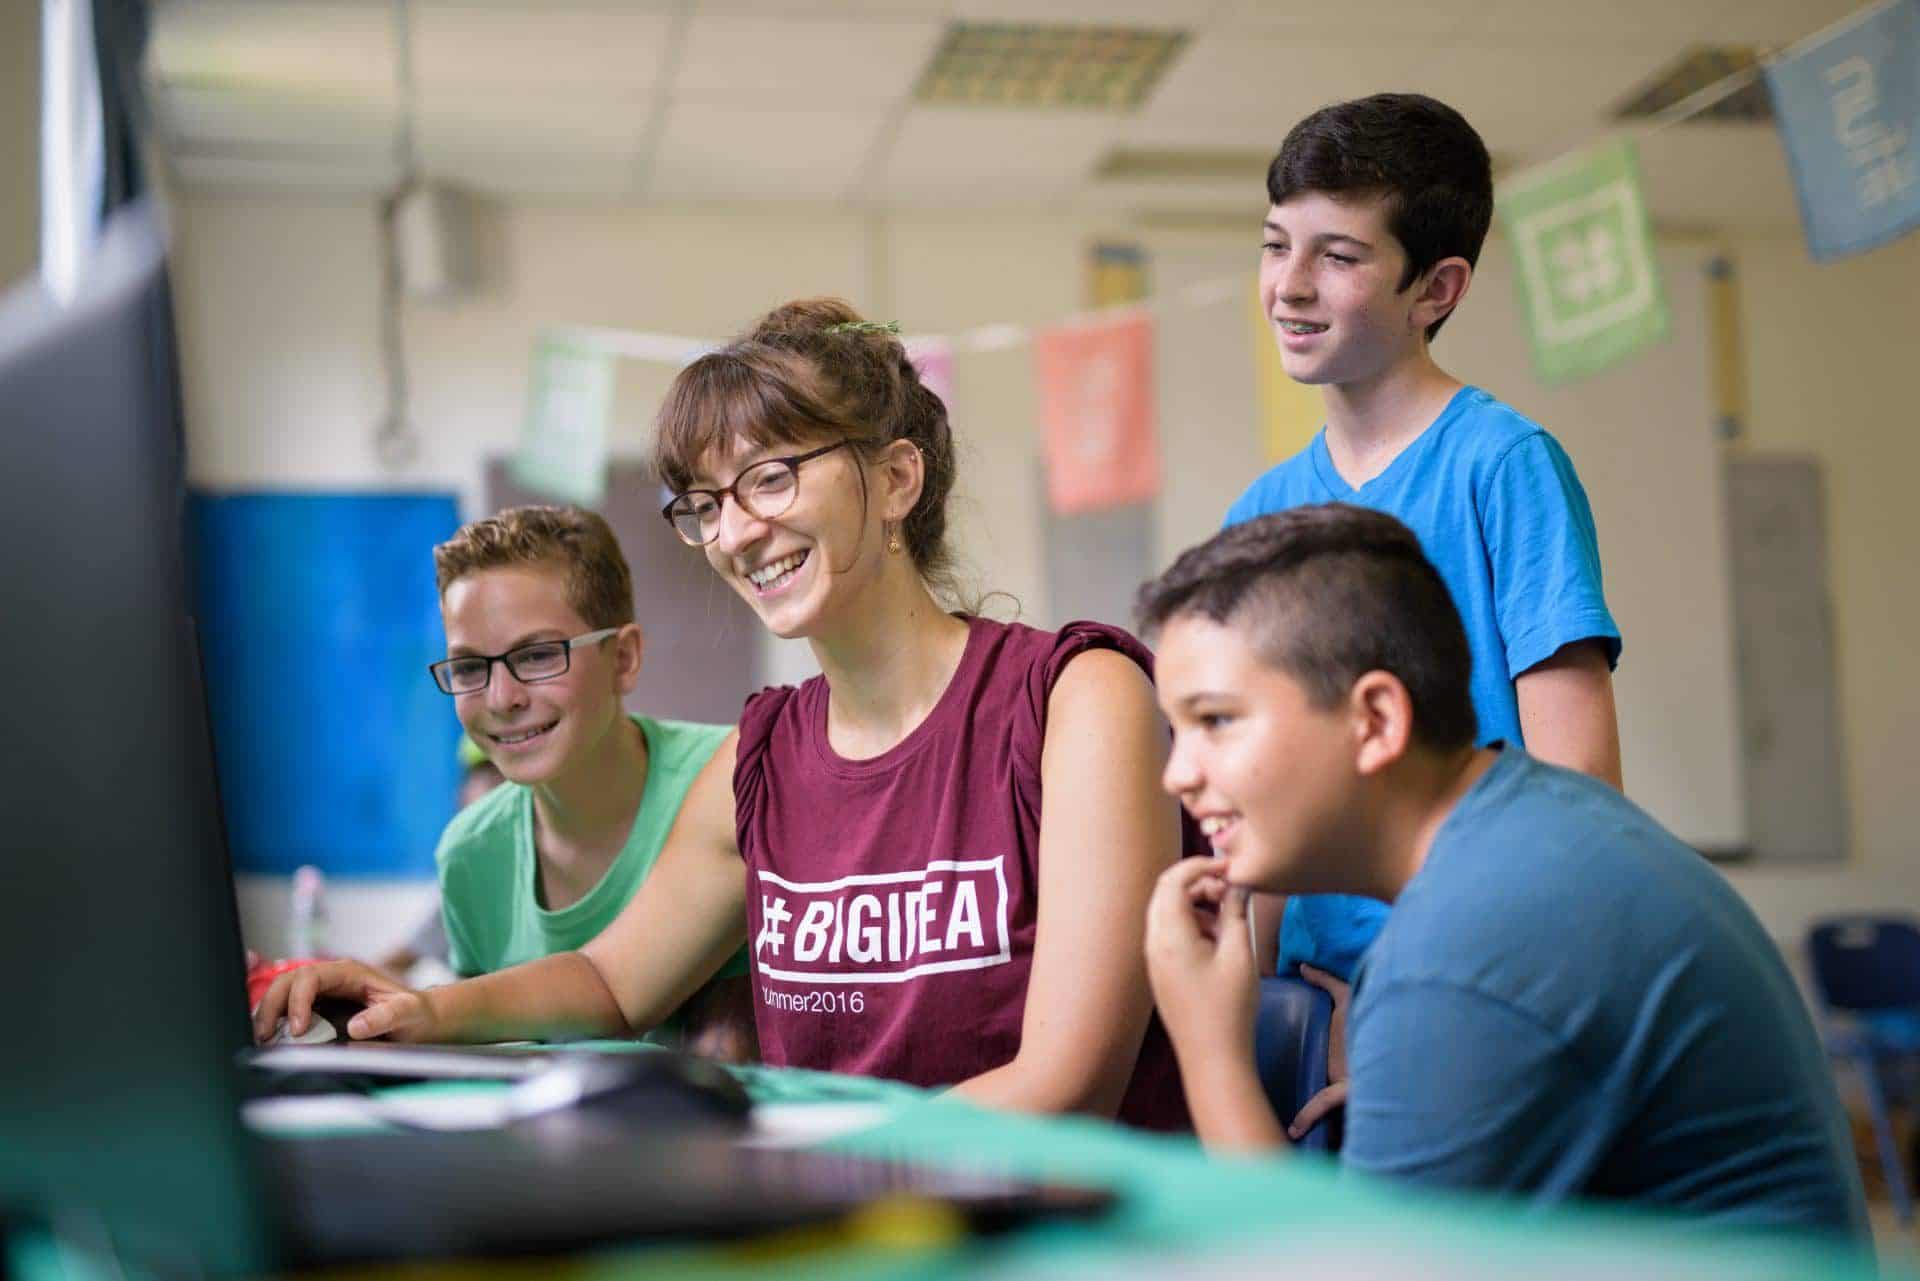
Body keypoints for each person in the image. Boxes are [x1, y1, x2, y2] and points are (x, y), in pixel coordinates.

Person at [254, 300, 1194, 1127]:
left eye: (772, 477)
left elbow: (1068, 1080)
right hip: (845, 1223)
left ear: (897, 480)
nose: (735, 532)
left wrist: (812, 1166)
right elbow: (612, 980)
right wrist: (421, 1008)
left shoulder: (1078, 697)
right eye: (705, 502)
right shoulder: (764, 756)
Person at [1138, 505, 1869, 1236]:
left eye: (1216, 721)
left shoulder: (1466, 943)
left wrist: (1209, 1048)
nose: (1178, 775)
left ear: (1377, 721)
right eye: (1179, 730)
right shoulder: (1532, 825)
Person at [1228, 92, 1624, 1004]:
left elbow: (1579, 794)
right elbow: (1269, 791)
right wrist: (1265, 1003)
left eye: (1339, 256)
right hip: (1316, 997)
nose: (1291, 284)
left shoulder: (1504, 464)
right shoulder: (1261, 511)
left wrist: (1489, 1001)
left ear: (1437, 289)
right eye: (1277, 244)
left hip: (1477, 980)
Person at [416, 504, 755, 1057]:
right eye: (471, 667)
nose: (501, 698)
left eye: (537, 655)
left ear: (623, 658)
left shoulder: (736, 783)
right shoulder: (469, 858)